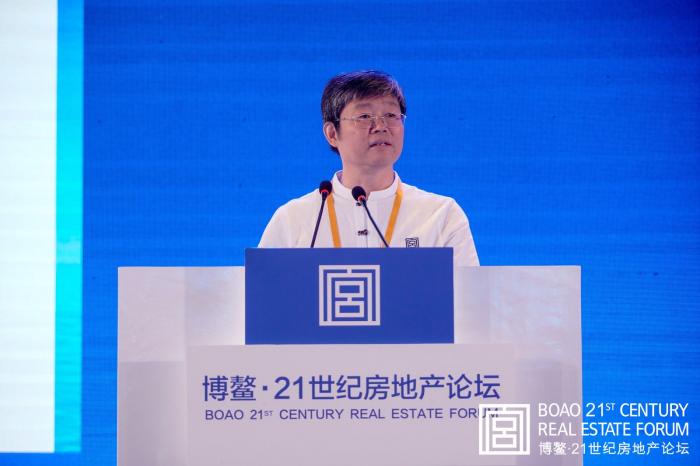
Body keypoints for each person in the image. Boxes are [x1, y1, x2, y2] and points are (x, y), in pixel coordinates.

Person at [258, 70, 479, 266]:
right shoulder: (293, 219)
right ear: (332, 134)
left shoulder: (441, 215)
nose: (381, 126)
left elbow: (470, 298)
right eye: (364, 116)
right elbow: (261, 296)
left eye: (391, 115)